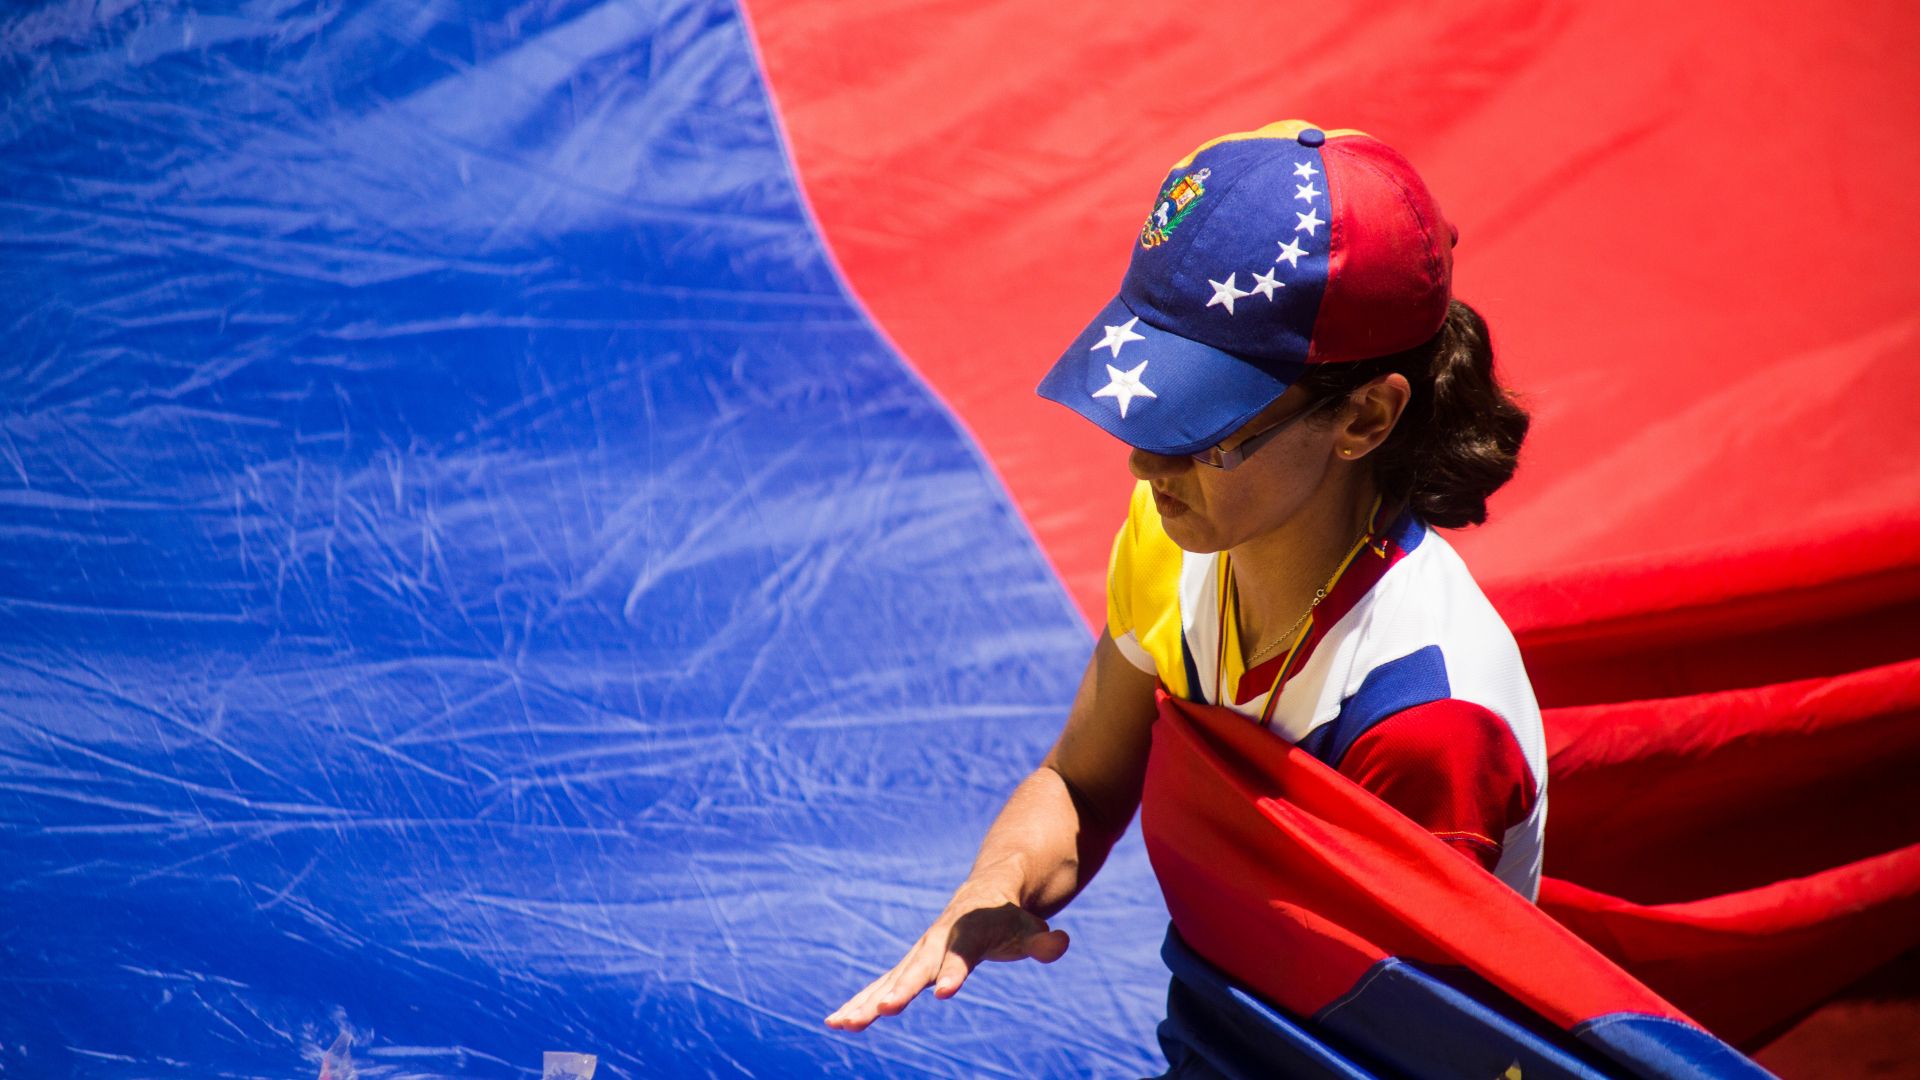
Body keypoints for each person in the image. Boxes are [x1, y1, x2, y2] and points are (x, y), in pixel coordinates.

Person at [823, 120, 1543, 1064]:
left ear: (1365, 417)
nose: (1141, 459)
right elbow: (1081, 781)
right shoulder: (1181, 534)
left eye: (1202, 423)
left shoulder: (1426, 723)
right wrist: (996, 887)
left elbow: (1402, 1043)